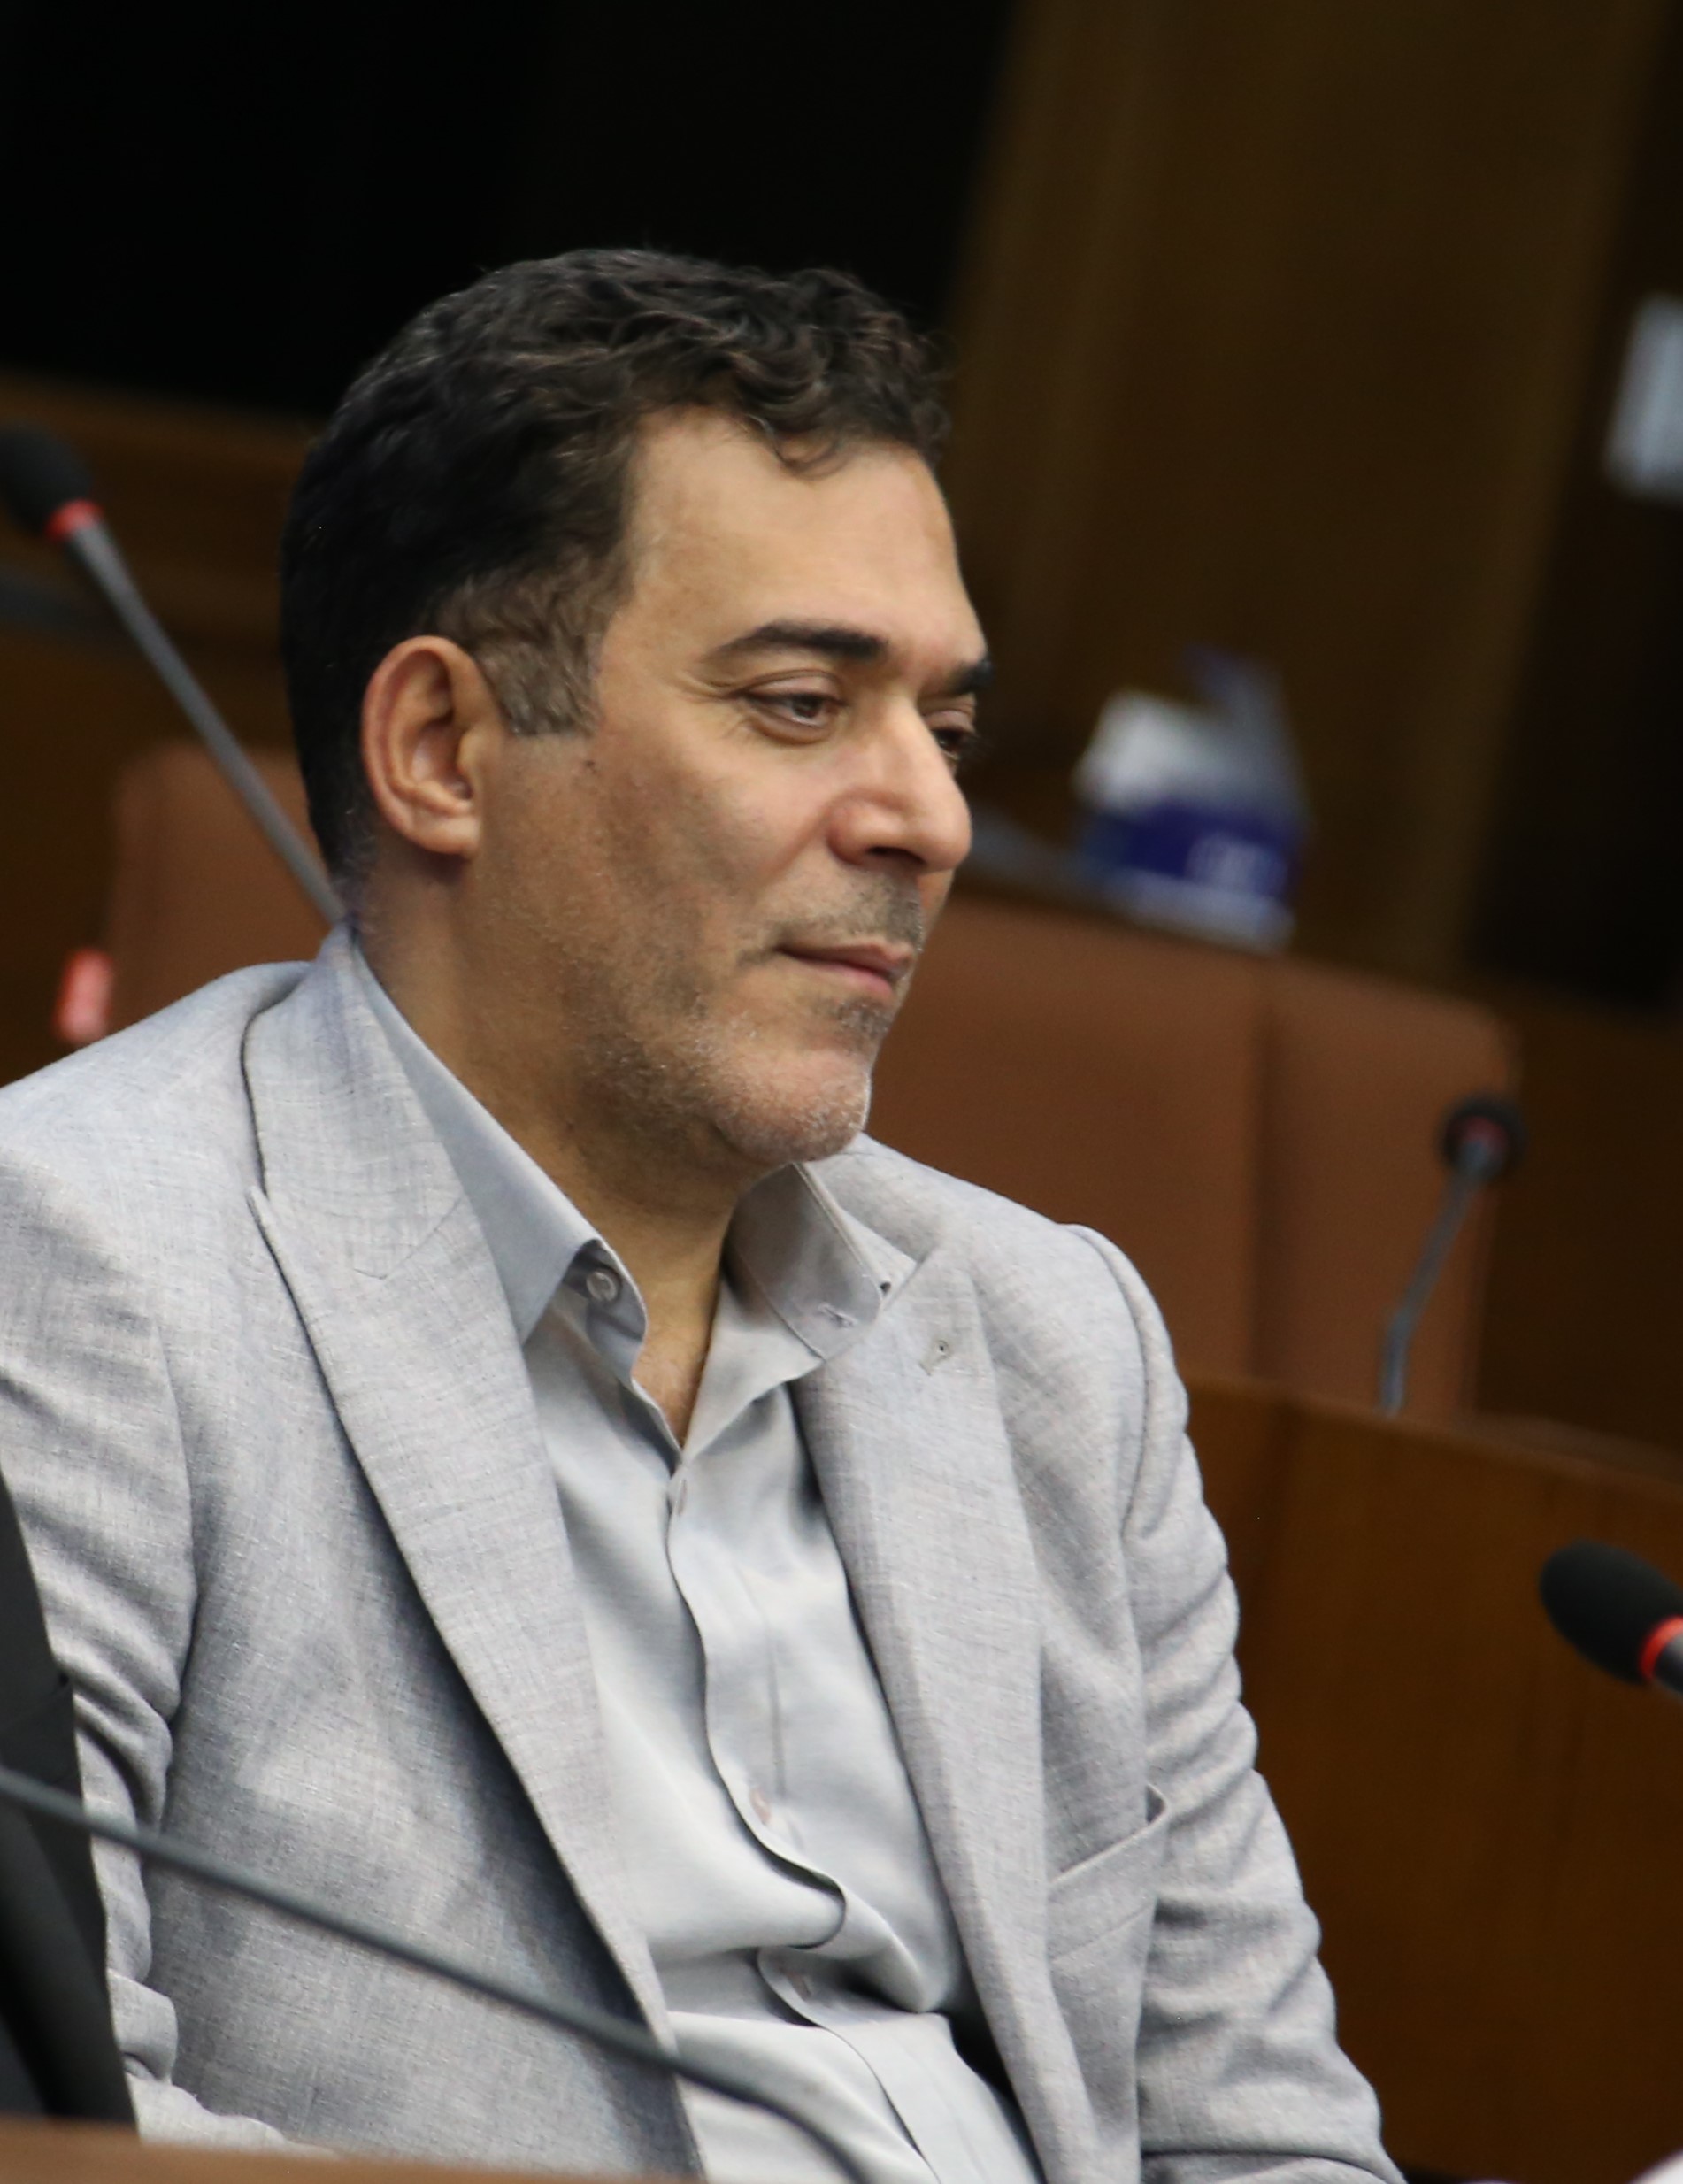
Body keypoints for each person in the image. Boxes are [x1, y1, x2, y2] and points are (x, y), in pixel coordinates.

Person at [0, 250, 1398, 2184]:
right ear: (443, 751)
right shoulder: (82, 1263)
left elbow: (1263, 2138)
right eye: (803, 705)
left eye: (946, 730)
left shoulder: (1053, 1344)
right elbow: (66, 2133)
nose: (929, 819)